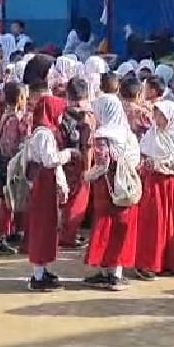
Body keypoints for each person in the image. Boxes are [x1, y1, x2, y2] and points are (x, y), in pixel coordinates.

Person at [82, 94, 142, 291]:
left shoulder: (102, 136)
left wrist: (87, 176)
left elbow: (101, 165)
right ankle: (116, 273)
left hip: (106, 190)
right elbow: (135, 161)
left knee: (105, 227)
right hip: (124, 188)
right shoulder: (128, 134)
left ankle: (108, 272)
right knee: (121, 228)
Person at [135, 100, 174, 280]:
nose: (157, 118)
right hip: (153, 183)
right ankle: (148, 263)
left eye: (161, 115)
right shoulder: (151, 134)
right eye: (156, 114)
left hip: (170, 183)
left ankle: (168, 262)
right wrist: (148, 164)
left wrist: (164, 163)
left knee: (170, 222)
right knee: (153, 222)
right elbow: (141, 156)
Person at [25, 92, 73, 292]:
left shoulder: (42, 131)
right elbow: (50, 161)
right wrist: (69, 154)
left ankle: (42, 270)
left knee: (46, 226)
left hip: (45, 183)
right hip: (43, 184)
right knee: (42, 227)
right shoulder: (44, 134)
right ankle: (38, 274)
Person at [0, 81, 31, 256]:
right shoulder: (15, 120)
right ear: (20, 98)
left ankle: (12, 231)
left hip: (4, 161)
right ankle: (1, 237)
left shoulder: (3, 117)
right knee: (10, 201)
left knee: (12, 199)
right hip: (12, 163)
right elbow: (11, 145)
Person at [59, 77, 95, 249]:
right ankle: (69, 236)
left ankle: (65, 232)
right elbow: (88, 146)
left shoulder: (62, 111)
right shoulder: (88, 116)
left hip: (63, 159)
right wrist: (87, 170)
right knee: (77, 200)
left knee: (65, 197)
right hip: (80, 162)